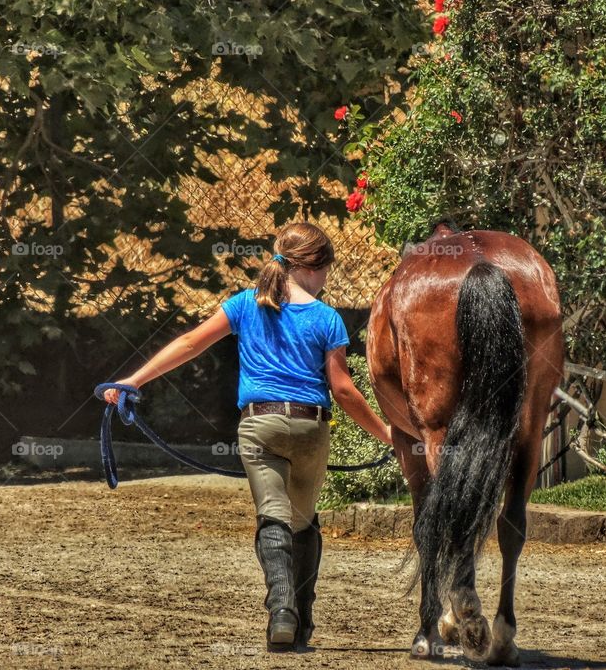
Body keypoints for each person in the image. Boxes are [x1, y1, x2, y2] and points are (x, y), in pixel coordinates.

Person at [103, 222, 395, 651]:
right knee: (303, 519)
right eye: (326, 270)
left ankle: (281, 609)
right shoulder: (328, 318)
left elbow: (188, 343)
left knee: (271, 515)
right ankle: (304, 616)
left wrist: (134, 380)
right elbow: (344, 390)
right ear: (314, 268)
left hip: (259, 425)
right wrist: (386, 433)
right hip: (311, 425)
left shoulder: (245, 304)